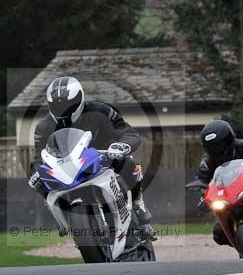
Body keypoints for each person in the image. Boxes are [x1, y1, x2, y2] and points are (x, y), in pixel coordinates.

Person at [27, 76, 152, 231]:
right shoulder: (44, 126)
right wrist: (35, 173)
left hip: (106, 158)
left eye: (68, 104)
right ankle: (65, 220)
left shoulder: (101, 110)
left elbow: (128, 133)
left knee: (129, 162)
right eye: (57, 105)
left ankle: (138, 205)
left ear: (80, 98)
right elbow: (39, 156)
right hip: (69, 170)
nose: (63, 109)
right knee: (40, 183)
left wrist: (122, 146)